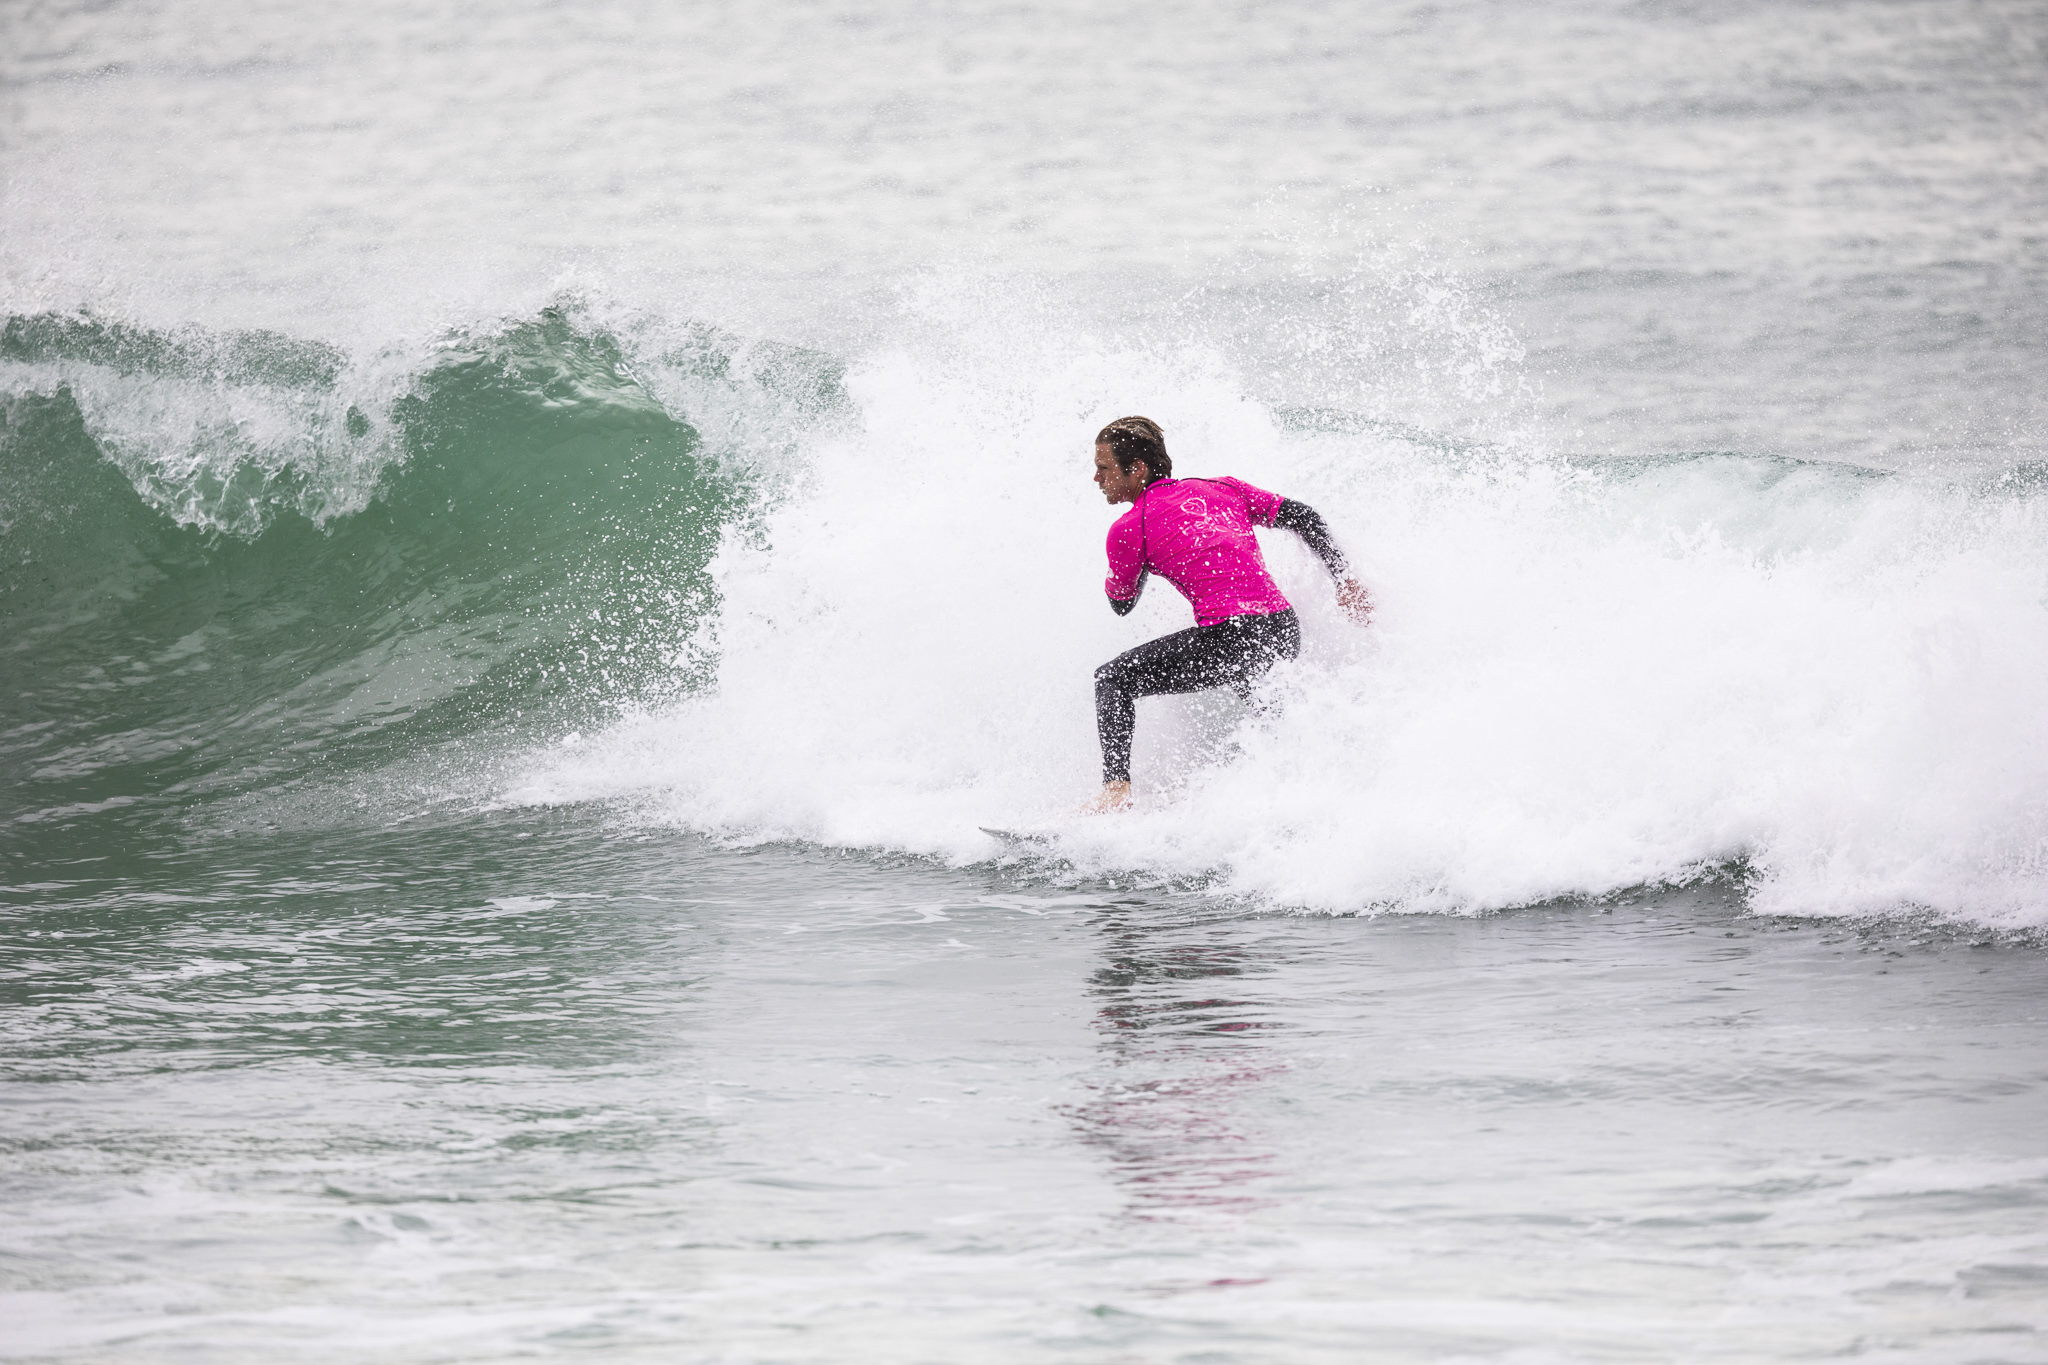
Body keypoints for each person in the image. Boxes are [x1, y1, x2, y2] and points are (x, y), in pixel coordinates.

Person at [1083, 416, 1372, 814]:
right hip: (1282, 626)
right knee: (1266, 708)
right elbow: (1303, 516)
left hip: (1231, 636)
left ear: (1137, 469)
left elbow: (1122, 603)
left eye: (1103, 468)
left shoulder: (1130, 528)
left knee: (1112, 679)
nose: (1097, 478)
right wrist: (1344, 578)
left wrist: (1140, 559)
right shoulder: (1223, 488)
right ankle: (1315, 785)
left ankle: (1115, 793)